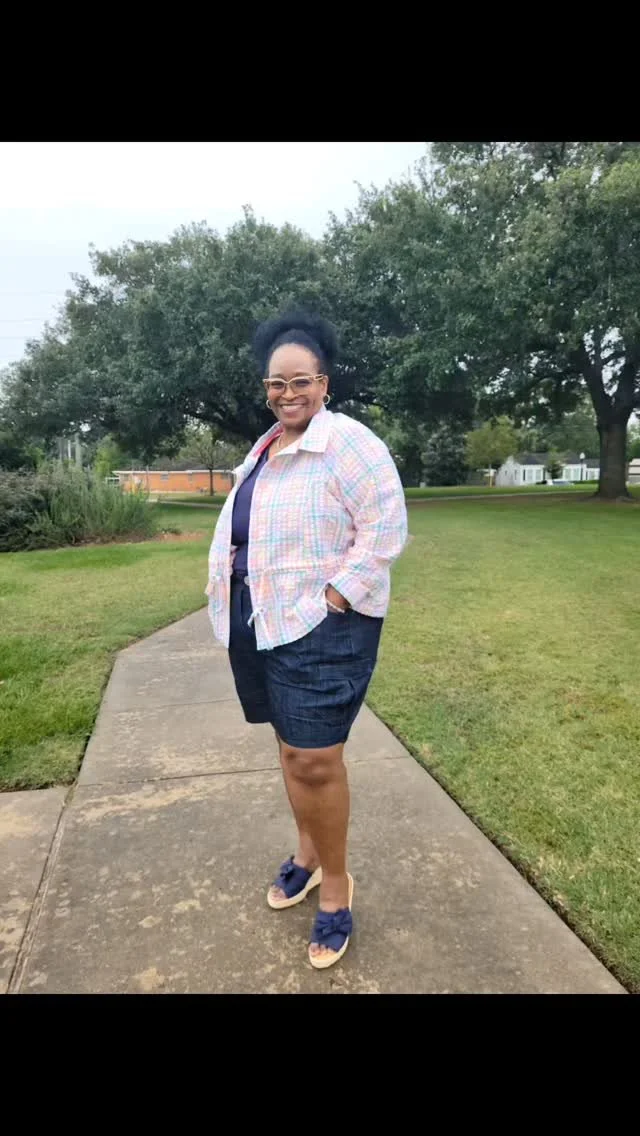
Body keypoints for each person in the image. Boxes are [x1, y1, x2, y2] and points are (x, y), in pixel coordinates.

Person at [206, 311, 407, 969]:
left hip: (324, 624)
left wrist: (336, 596)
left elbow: (385, 527)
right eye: (276, 383)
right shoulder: (265, 447)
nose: (287, 393)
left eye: (300, 381)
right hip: (260, 617)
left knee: (317, 759)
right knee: (291, 749)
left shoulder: (349, 443)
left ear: (324, 382)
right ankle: (309, 855)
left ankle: (337, 887)